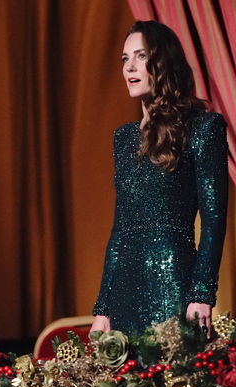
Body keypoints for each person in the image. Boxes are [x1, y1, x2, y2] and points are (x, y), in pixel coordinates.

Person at [91, 21, 228, 336]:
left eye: (141, 56)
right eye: (125, 59)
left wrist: (202, 293)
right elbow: (119, 230)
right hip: (124, 293)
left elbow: (214, 218)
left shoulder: (204, 128)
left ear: (163, 62)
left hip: (174, 283)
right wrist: (102, 308)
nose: (130, 67)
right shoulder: (123, 138)